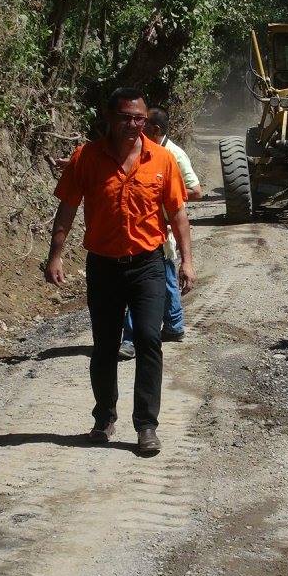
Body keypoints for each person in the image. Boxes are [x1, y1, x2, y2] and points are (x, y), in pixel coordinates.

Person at [45, 87, 196, 453]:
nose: (133, 124)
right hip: (103, 266)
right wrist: (56, 254)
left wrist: (187, 260)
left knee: (148, 339)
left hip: (148, 265)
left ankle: (146, 425)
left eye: (139, 118)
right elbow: (67, 208)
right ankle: (104, 417)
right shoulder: (86, 159)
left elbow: (177, 213)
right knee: (106, 345)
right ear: (110, 119)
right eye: (126, 117)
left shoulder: (161, 160)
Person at [119, 105, 203, 360]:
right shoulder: (146, 152)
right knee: (164, 278)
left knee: (142, 286)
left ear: (154, 129)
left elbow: (196, 190)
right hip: (152, 230)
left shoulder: (172, 155)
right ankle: (175, 325)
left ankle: (131, 339)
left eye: (143, 126)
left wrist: (165, 196)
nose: (137, 130)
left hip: (160, 231)